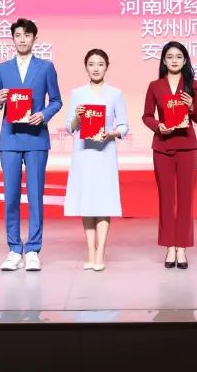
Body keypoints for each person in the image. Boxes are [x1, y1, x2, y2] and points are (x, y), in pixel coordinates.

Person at [0, 18, 62, 272]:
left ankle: (32, 249)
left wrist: (43, 114)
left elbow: (56, 100)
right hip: (9, 138)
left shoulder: (45, 67)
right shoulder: (2, 68)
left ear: (34, 38)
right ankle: (13, 249)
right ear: (12, 39)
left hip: (36, 138)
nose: (22, 39)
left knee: (35, 195)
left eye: (27, 35)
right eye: (18, 35)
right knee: (10, 196)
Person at [63, 49, 129, 271]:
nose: (96, 68)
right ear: (86, 67)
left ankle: (101, 251)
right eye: (91, 64)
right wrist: (77, 117)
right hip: (83, 154)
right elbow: (69, 127)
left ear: (106, 66)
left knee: (103, 202)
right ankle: (90, 251)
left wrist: (111, 134)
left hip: (105, 153)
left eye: (100, 64)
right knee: (87, 202)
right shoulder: (77, 94)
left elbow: (124, 126)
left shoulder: (115, 94)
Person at [142, 41, 197, 269]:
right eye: (170, 56)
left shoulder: (193, 85)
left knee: (186, 200)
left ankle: (182, 248)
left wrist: (191, 106)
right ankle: (169, 246)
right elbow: (147, 116)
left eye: (178, 56)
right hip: (163, 147)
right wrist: (158, 126)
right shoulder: (155, 86)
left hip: (187, 147)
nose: (174, 60)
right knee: (167, 199)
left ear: (185, 60)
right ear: (164, 60)